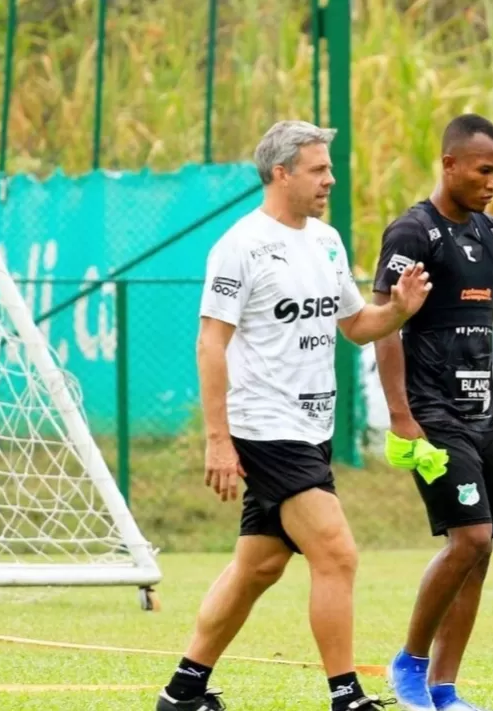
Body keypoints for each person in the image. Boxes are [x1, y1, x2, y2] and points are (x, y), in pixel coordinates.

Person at [155, 120, 432, 711]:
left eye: (329, 168)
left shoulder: (327, 241)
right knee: (336, 554)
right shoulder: (240, 246)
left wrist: (400, 309)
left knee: (258, 566)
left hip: (312, 430)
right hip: (263, 428)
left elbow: (357, 327)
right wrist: (217, 440)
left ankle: (183, 691)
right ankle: (347, 697)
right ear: (281, 173)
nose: (330, 179)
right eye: (318, 169)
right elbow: (210, 344)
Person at [371, 114, 493, 711]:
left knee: (481, 550)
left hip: (483, 415)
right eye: (484, 170)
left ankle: (445, 689)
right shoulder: (412, 233)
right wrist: (401, 415)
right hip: (433, 417)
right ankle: (409, 661)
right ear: (449, 164)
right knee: (470, 537)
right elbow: (384, 327)